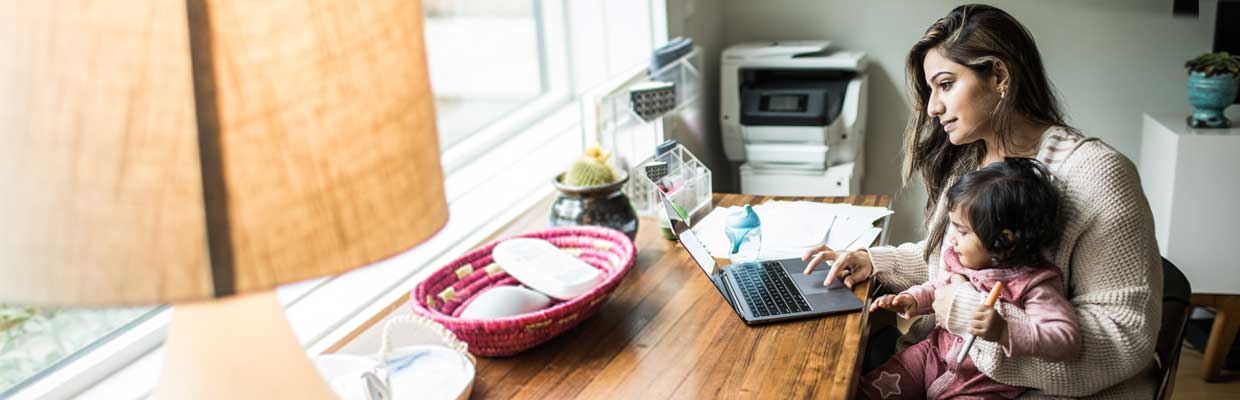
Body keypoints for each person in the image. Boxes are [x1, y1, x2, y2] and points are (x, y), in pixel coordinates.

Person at [801, 4, 1161, 398]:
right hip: (941, 369)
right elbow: (956, 261)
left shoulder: (1098, 175)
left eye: (946, 84)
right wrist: (875, 262)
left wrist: (973, 316)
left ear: (1000, 76)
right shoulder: (975, 159)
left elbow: (1125, 337)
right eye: (930, 90)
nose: (932, 107)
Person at [857, 158, 1078, 399]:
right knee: (870, 390)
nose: (952, 240)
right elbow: (940, 286)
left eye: (962, 231)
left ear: (1003, 240)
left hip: (981, 385)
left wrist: (1004, 331)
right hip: (933, 354)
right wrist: (914, 299)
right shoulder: (961, 258)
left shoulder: (1034, 284)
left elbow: (1064, 338)